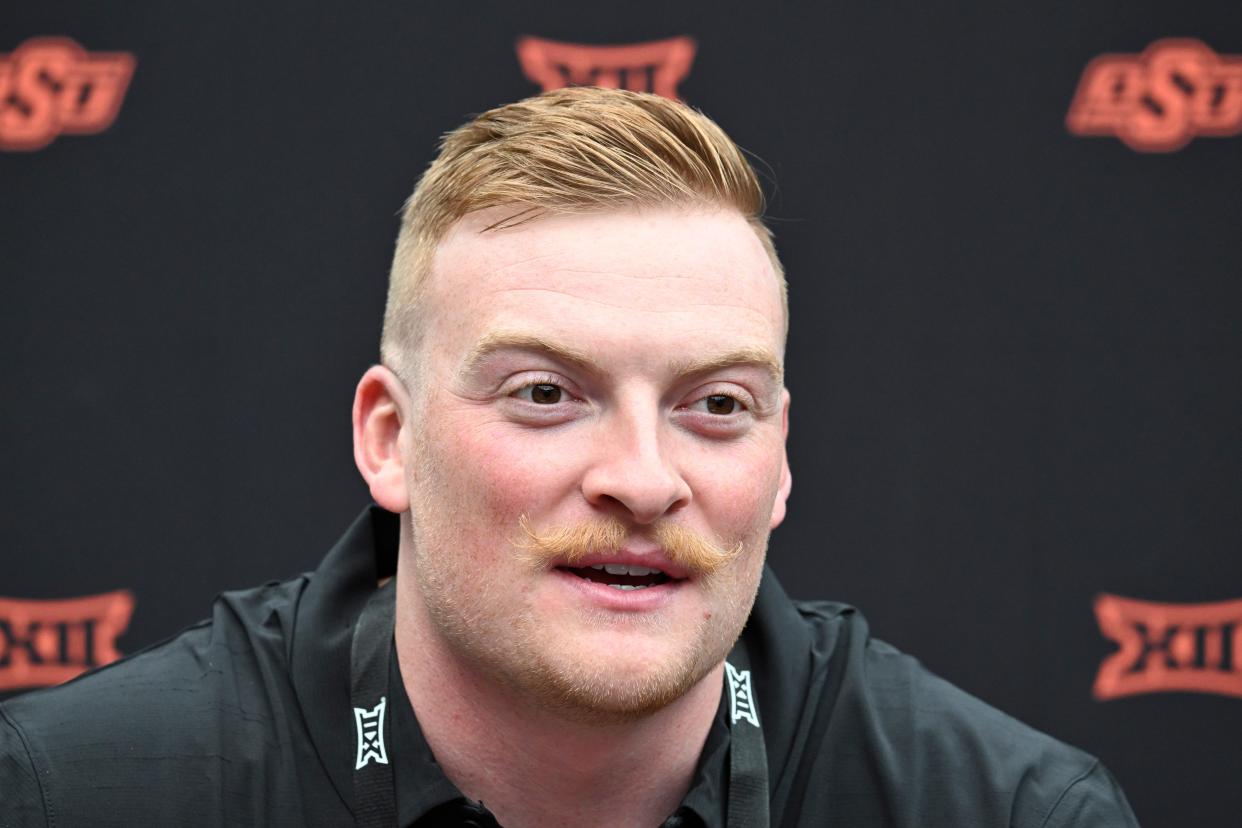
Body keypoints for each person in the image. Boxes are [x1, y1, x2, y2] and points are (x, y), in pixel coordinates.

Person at [0, 87, 1138, 827]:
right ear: (388, 441)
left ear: (783, 459)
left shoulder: (1010, 812)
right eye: (547, 394)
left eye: (716, 404)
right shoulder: (78, 795)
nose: (643, 479)